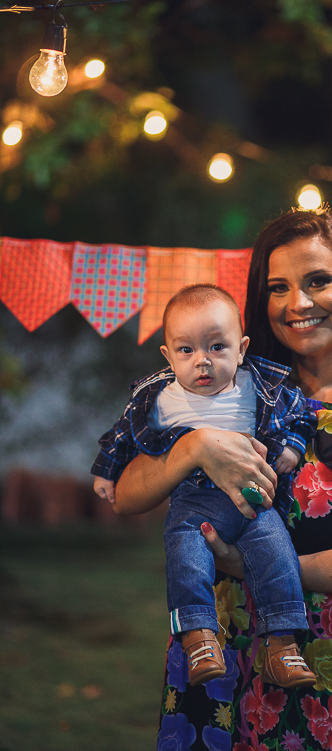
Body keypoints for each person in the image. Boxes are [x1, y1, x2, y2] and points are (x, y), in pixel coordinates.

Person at [113, 208, 332, 751]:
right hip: (214, 653)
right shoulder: (228, 383)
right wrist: (193, 448)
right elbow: (126, 492)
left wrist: (251, 565)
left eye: (317, 280)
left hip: (317, 663)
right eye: (278, 287)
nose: (298, 303)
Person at [92, 284, 317, 689]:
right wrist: (105, 471)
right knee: (187, 556)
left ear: (241, 349)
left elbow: (302, 413)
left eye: (217, 347)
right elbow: (123, 435)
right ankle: (198, 637)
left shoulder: (258, 387)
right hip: (195, 503)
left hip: (254, 502)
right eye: (186, 350)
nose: (203, 361)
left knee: (279, 556)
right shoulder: (161, 399)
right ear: (168, 356)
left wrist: (293, 448)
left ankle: (282, 647)